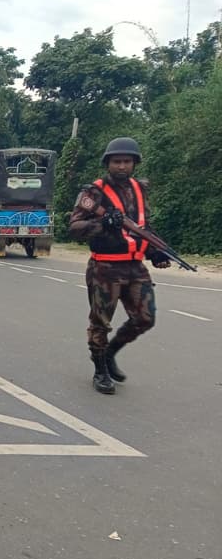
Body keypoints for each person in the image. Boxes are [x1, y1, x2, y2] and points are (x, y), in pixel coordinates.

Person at [68, 137, 171, 395]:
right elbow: (74, 228)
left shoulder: (139, 189)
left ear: (134, 163)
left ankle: (111, 351)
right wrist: (104, 224)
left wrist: (155, 251)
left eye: (127, 161)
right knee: (101, 322)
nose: (122, 166)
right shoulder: (94, 193)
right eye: (117, 162)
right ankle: (100, 369)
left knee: (146, 318)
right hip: (105, 268)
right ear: (108, 163)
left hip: (135, 267)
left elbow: (142, 226)